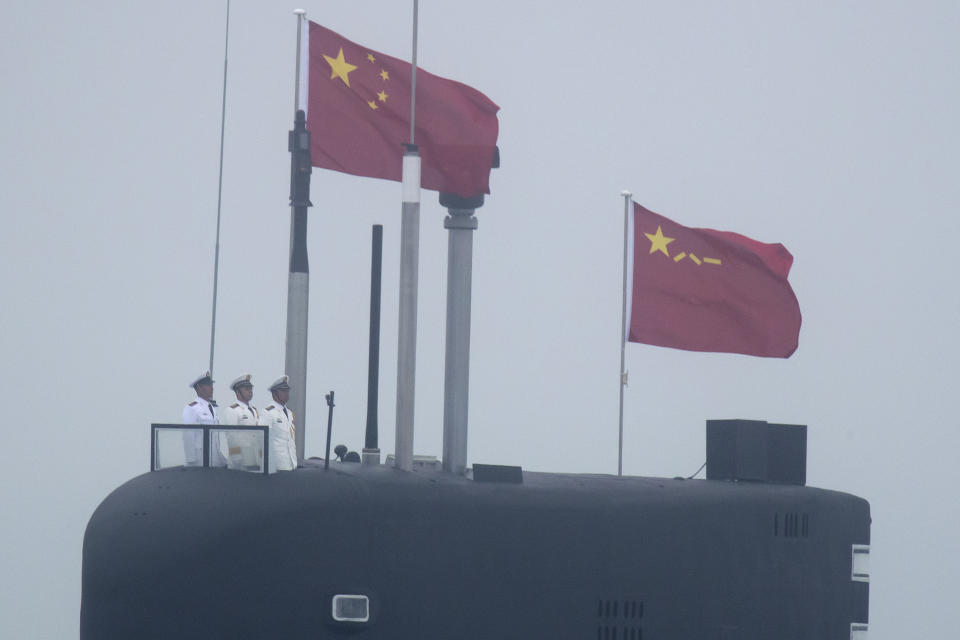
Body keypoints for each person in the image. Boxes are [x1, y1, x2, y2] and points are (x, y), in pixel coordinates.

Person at [220, 374, 262, 470]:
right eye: (246, 389)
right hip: (240, 462)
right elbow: (231, 437)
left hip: (254, 460)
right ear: (238, 391)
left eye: (251, 388)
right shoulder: (232, 410)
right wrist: (237, 459)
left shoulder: (254, 410)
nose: (250, 391)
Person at [259, 375, 298, 471]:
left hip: (291, 463)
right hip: (277, 465)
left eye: (287, 391)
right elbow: (262, 440)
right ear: (275, 393)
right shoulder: (268, 413)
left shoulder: (289, 413)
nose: (286, 394)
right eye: (283, 391)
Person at [181, 371, 219, 466]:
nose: (211, 388)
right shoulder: (192, 408)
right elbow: (188, 435)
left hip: (213, 458)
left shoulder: (212, 408)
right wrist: (191, 460)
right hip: (199, 459)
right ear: (198, 387)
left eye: (211, 384)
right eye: (207, 385)